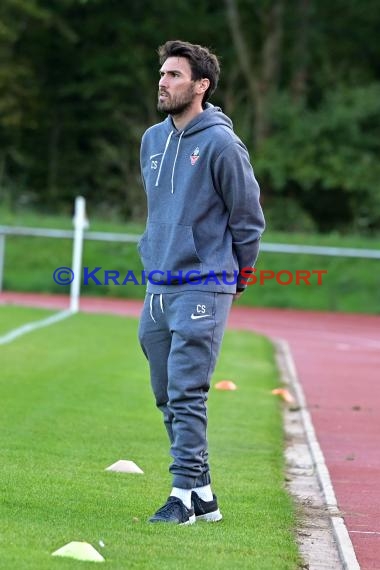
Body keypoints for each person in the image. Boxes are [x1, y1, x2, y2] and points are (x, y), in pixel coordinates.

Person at [137, 40, 265, 524]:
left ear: (201, 85)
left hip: (204, 281)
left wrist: (238, 275)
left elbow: (248, 218)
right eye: (163, 74)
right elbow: (162, 211)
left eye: (174, 75)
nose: (163, 82)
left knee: (188, 389)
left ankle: (181, 499)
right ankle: (204, 492)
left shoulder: (222, 144)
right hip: (158, 285)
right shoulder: (152, 139)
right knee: (166, 392)